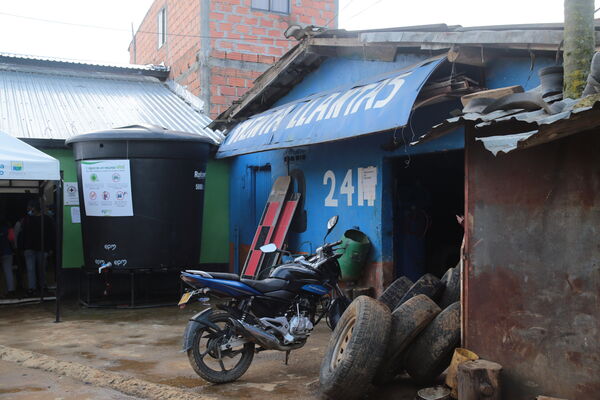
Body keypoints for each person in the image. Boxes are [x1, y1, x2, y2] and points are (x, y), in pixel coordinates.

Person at [18, 200, 55, 296]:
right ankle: (40, 287)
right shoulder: (46, 219)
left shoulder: (27, 220)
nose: (28, 209)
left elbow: (22, 235)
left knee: (33, 269)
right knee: (40, 269)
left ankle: (33, 288)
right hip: (38, 248)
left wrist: (21, 247)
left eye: (30, 207)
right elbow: (51, 235)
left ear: (34, 208)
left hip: (32, 247)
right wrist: (50, 248)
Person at [0, 217, 16, 298]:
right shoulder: (9, 229)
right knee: (8, 271)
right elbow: (12, 240)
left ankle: (2, 291)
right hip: (7, 252)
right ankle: (10, 290)